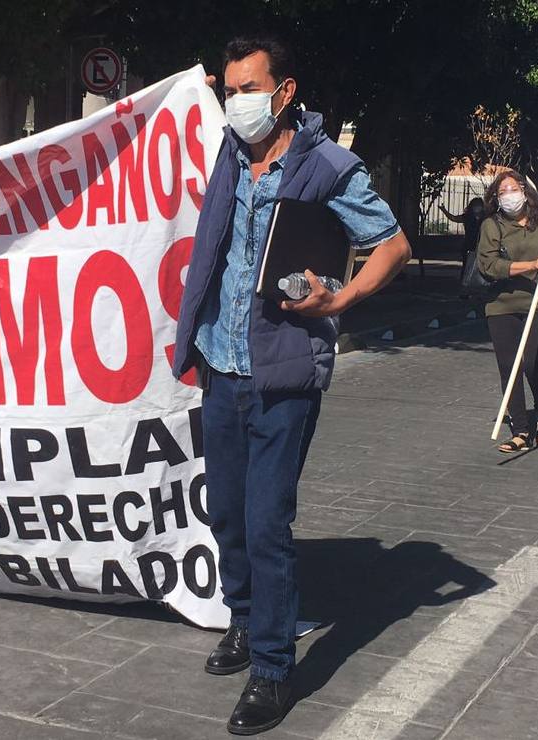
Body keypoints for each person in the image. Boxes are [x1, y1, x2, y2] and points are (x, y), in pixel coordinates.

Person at [172, 35, 411, 735]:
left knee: (268, 522)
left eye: (248, 89)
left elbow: (392, 245)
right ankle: (245, 622)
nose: (235, 101)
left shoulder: (329, 167)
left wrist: (336, 304)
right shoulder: (230, 153)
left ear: (284, 92)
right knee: (226, 513)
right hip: (222, 366)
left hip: (283, 374)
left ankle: (272, 671)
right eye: (229, 88)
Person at [476, 170, 538, 453]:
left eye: (514, 188)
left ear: (525, 191)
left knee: (537, 366)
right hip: (502, 304)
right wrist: (531, 265)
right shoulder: (492, 225)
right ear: (496, 198)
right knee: (509, 368)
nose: (510, 195)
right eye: (503, 192)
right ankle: (521, 428)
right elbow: (489, 266)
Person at [440, 197, 487, 294]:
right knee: (467, 266)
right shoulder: (467, 217)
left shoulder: (485, 218)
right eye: (475, 205)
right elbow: (454, 218)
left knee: (482, 266)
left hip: (482, 245)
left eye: (479, 205)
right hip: (469, 245)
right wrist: (444, 210)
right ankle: (465, 286)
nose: (477, 208)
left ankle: (479, 285)